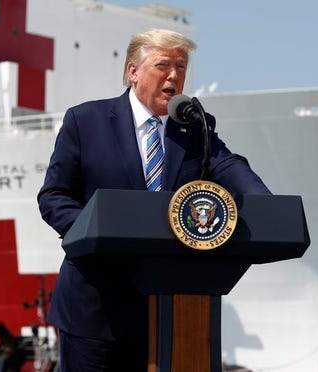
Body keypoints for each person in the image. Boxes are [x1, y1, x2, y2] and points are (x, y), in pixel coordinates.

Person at [37, 28, 271, 371]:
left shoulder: (195, 127)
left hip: (171, 310)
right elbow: (54, 195)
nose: (174, 76)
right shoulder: (85, 121)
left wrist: (264, 204)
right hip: (95, 308)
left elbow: (226, 164)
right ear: (133, 72)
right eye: (164, 65)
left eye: (181, 66)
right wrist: (90, 230)